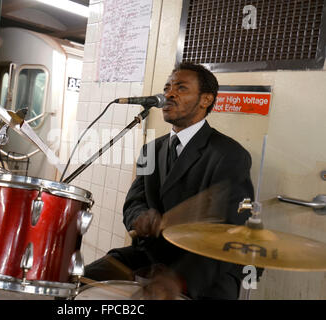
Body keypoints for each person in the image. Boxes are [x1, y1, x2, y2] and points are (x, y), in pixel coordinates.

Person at [83, 62, 255, 300]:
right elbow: (133, 202)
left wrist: (180, 279)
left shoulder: (229, 155)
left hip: (203, 269)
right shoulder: (150, 149)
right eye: (167, 87)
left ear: (205, 100)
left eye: (181, 88)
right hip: (152, 256)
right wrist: (140, 217)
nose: (169, 94)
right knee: (78, 281)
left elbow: (231, 233)